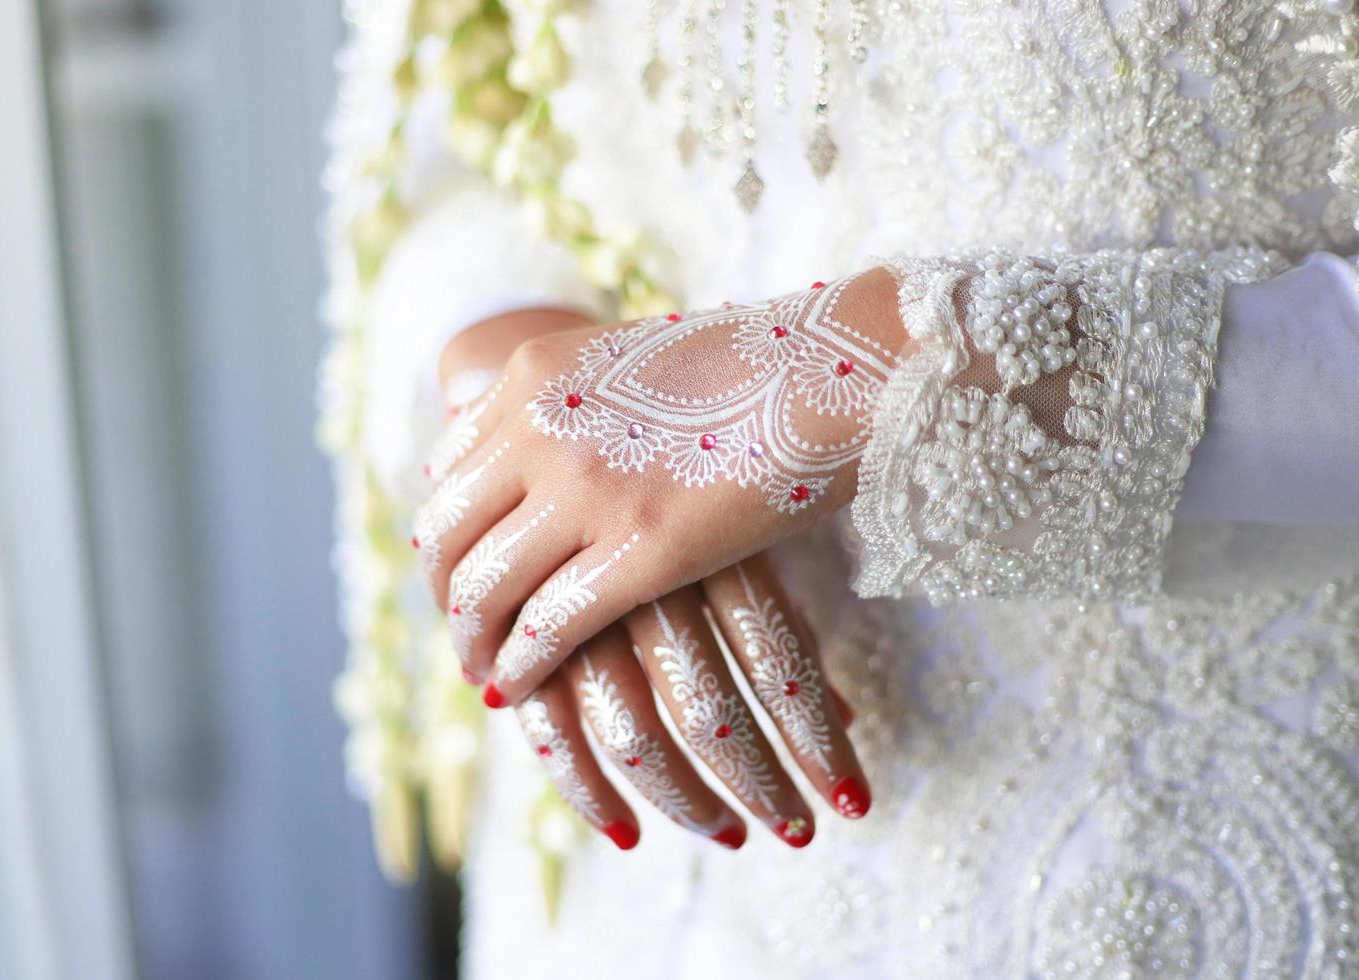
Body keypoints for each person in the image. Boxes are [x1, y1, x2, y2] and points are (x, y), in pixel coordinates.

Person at [326, 0, 1359, 975]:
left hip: (1188, 866)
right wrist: (521, 419)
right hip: (634, 888)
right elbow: (442, 158)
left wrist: (863, 364)